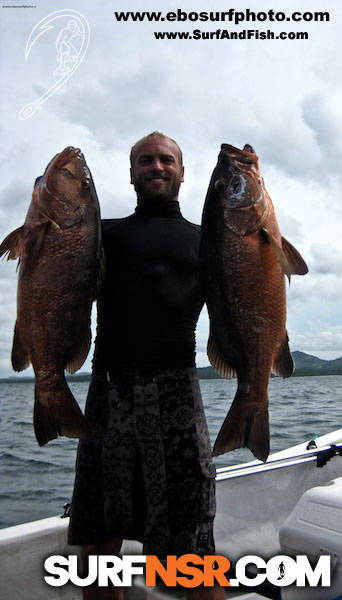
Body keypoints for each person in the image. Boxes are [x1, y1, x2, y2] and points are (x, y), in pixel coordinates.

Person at [68, 132, 225, 600]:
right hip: (108, 392)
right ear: (131, 172)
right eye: (145, 161)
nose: (156, 167)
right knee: (96, 551)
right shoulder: (103, 237)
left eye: (166, 159)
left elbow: (246, 298)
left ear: (182, 171)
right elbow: (55, 269)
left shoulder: (208, 242)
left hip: (178, 392)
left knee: (191, 558)